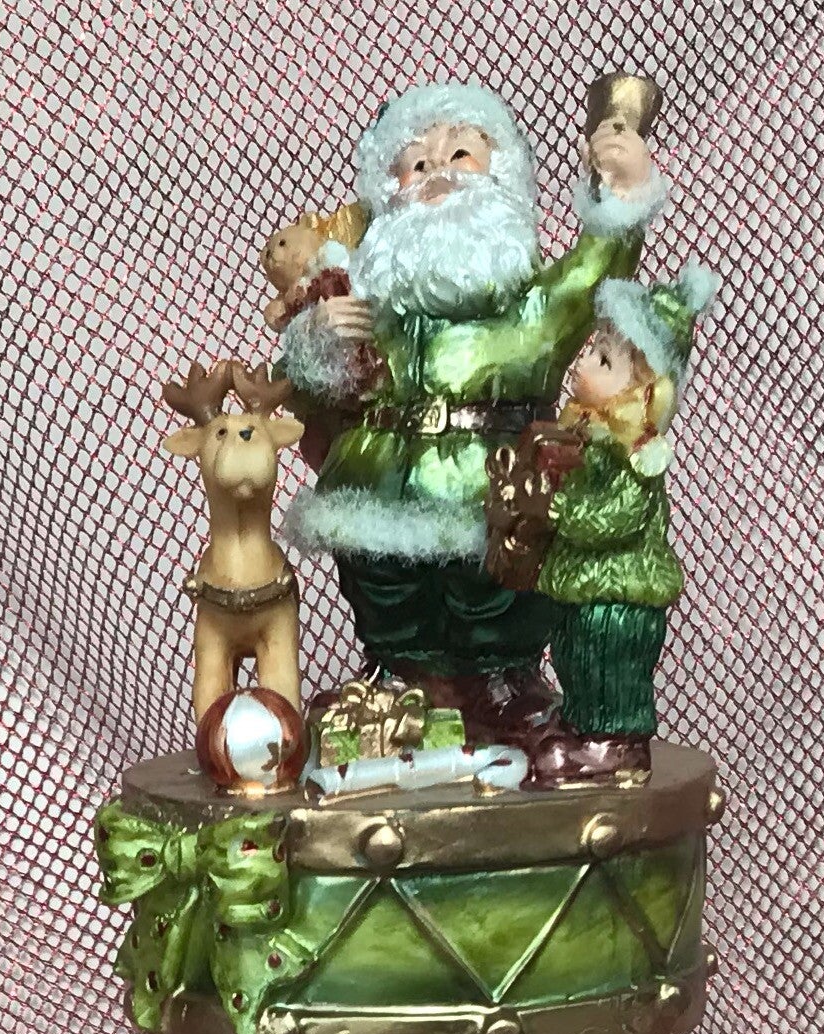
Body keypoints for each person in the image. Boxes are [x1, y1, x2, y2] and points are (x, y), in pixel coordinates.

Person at [277, 79, 667, 740]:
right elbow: (303, 387)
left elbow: (596, 267)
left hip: (494, 486)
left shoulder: (537, 304)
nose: (438, 173)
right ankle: (395, 676)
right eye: (417, 162)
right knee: (385, 588)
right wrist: (319, 339)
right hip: (377, 485)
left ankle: (500, 680)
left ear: (500, 176)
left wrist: (623, 195)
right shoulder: (371, 302)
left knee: (494, 591)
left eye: (460, 154)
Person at [533, 260, 719, 779]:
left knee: (607, 658)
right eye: (592, 350)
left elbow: (619, 517)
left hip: (619, 590)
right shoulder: (588, 439)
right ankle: (581, 724)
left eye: (603, 360)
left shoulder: (636, 454)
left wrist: (559, 510)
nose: (583, 365)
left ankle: (618, 741)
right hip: (581, 583)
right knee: (572, 652)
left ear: (644, 392)